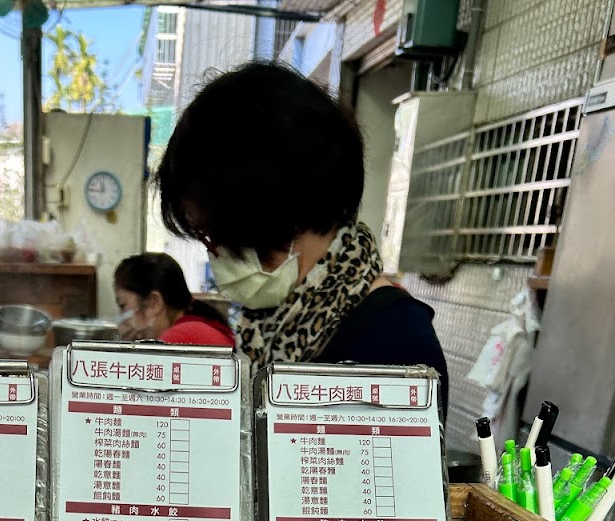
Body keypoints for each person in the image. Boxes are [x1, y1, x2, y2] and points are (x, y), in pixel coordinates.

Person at [156, 62, 449, 413]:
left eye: (217, 233)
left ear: (276, 209)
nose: (215, 253)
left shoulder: (395, 345)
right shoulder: (269, 325)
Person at [114, 252, 235, 348]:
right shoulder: (197, 325)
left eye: (123, 305)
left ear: (154, 302)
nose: (121, 319)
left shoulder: (179, 338)